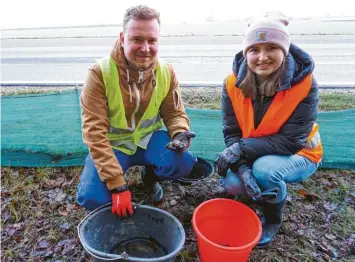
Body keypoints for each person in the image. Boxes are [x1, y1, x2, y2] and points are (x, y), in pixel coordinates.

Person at [76, 5, 198, 218]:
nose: (145, 48)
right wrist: (117, 186)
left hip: (147, 140)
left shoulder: (166, 72)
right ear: (123, 39)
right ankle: (109, 185)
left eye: (152, 40)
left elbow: (175, 113)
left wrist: (179, 132)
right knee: (92, 197)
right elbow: (94, 134)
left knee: (183, 162)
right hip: (113, 146)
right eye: (137, 40)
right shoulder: (99, 73)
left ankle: (149, 178)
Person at [215, 12, 323, 248]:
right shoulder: (231, 84)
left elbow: (291, 141)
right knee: (233, 183)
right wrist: (243, 171)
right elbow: (232, 133)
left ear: (284, 50)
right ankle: (258, 189)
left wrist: (240, 149)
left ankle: (273, 219)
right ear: (246, 53)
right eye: (254, 49)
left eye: (272, 47)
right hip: (254, 151)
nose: (262, 57)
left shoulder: (305, 83)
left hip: (300, 153)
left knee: (265, 171)